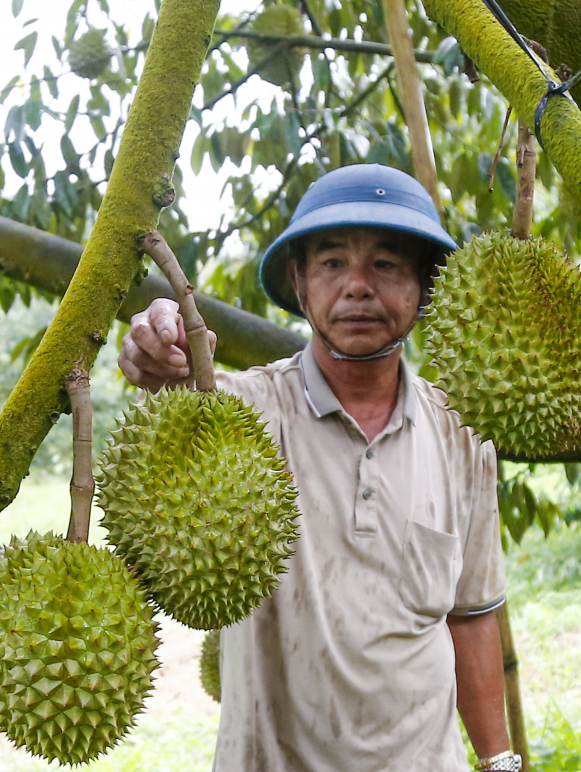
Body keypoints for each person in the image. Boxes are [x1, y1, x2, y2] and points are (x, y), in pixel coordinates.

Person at [118, 164, 517, 772]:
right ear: (301, 284)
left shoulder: (462, 433)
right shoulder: (243, 416)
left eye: (385, 264)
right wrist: (164, 343)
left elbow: (473, 616)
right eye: (332, 263)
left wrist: (500, 763)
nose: (357, 286)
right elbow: (176, 390)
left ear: (424, 288)